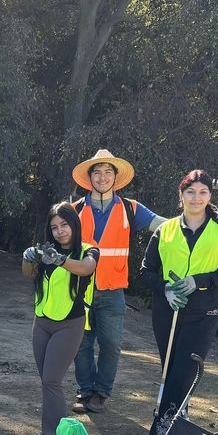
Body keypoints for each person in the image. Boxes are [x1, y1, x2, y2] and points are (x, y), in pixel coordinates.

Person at [140, 169, 218, 435]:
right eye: (190, 192)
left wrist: (199, 281)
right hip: (168, 312)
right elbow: (146, 271)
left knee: (184, 371)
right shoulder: (166, 229)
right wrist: (166, 289)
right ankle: (178, 420)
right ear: (181, 195)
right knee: (171, 369)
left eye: (203, 192)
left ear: (210, 196)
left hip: (205, 312)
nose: (196, 198)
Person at [68, 148, 166, 414]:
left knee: (111, 343)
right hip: (80, 289)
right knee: (81, 343)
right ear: (89, 178)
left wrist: (194, 219)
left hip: (113, 290)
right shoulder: (74, 210)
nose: (102, 177)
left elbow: (164, 226)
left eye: (107, 172)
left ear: (115, 177)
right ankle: (85, 390)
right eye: (97, 172)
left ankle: (101, 392)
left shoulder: (130, 208)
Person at [22, 202, 99, 435]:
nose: (60, 231)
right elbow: (28, 273)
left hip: (69, 325)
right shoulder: (47, 250)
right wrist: (28, 257)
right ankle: (48, 433)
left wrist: (60, 260)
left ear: (74, 224)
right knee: (46, 380)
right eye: (54, 227)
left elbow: (87, 268)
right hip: (42, 321)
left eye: (64, 224)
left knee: (52, 380)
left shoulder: (89, 250)